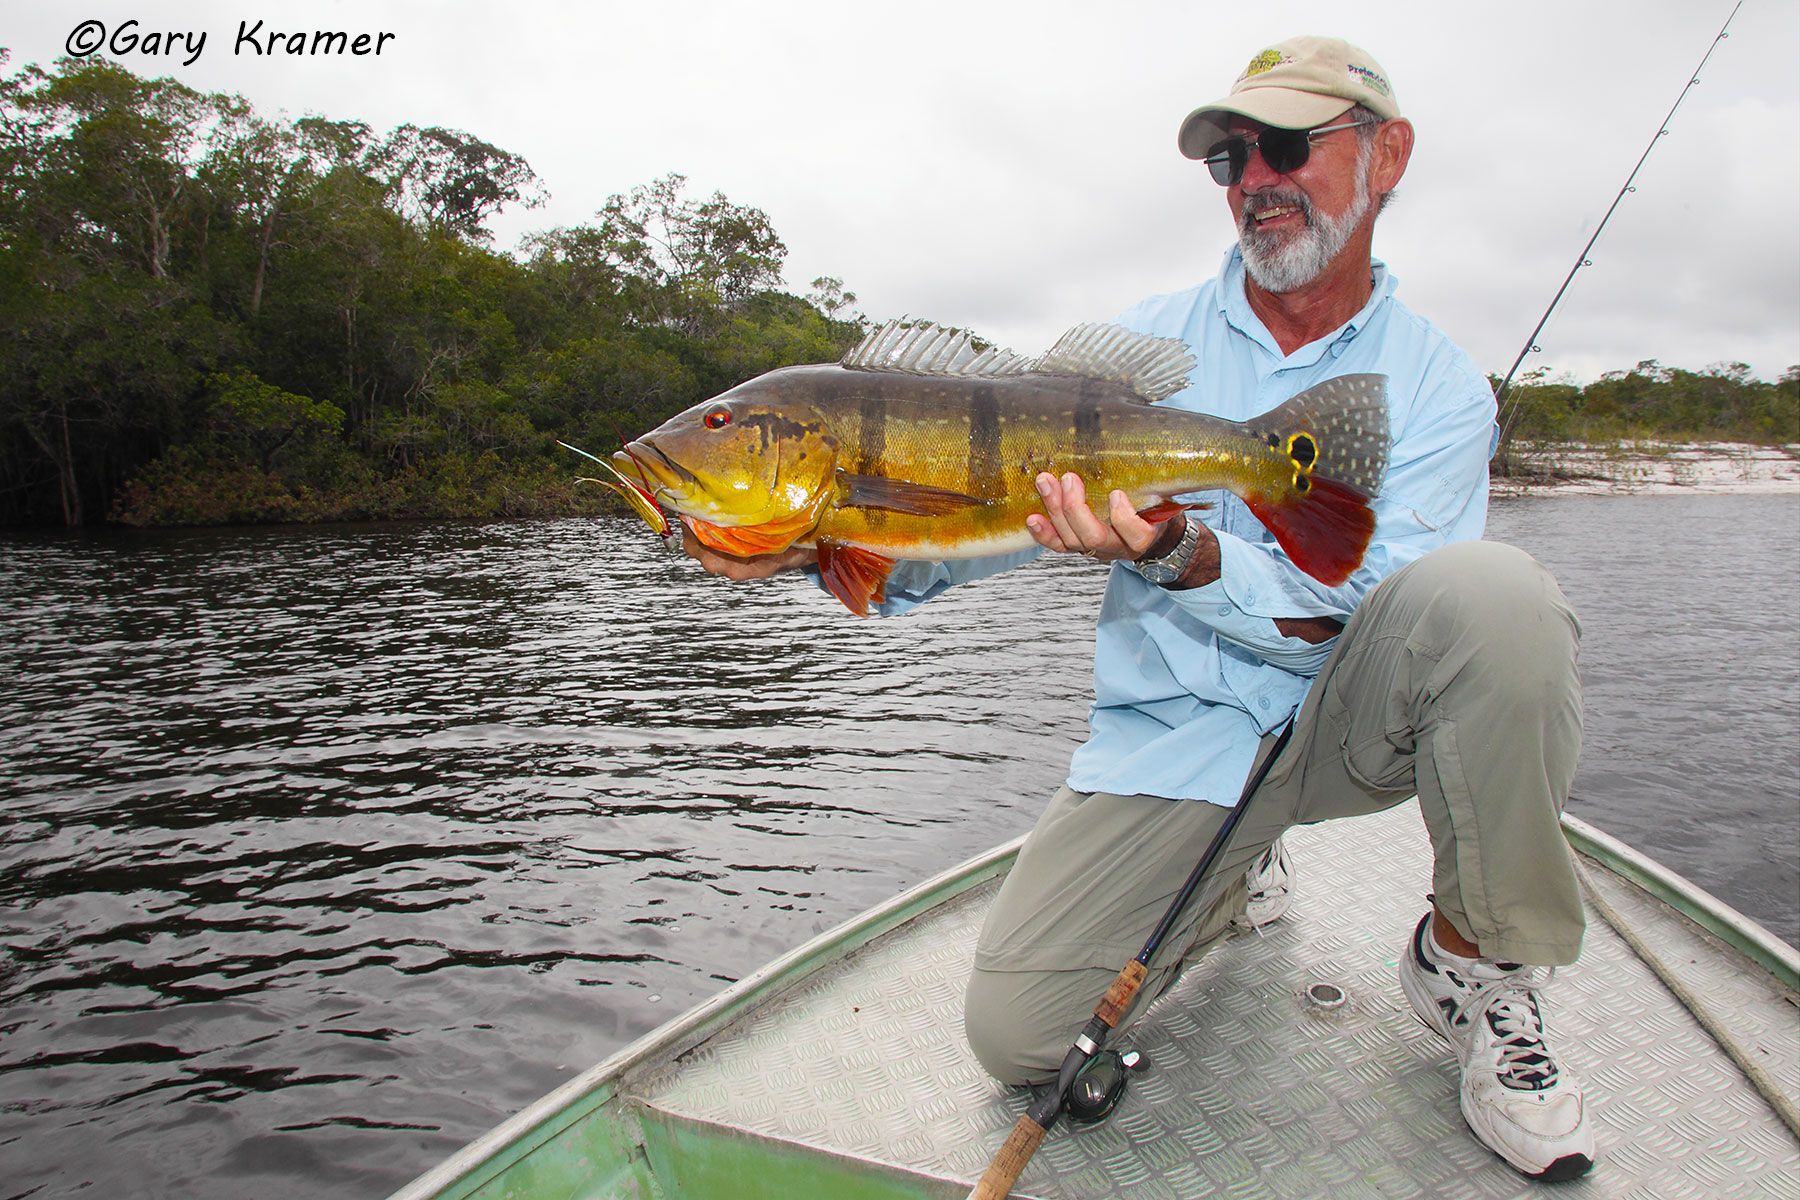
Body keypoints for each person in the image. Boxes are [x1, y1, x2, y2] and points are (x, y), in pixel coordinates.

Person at [683, 35, 1594, 1183]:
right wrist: (826, 546)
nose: (1252, 176)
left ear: (1386, 154)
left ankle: (1475, 965)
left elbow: (1369, 597)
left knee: (1501, 601)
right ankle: (1231, 872)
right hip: (1177, 742)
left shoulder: (1436, 385)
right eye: (1229, 156)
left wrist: (1185, 552)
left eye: (1284, 145)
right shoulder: (1142, 350)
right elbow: (989, 503)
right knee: (1017, 1039)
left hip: (1355, 720)